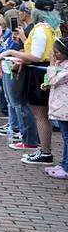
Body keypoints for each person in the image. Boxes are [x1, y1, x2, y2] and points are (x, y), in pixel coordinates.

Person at [0, 0, 61, 165]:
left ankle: (45, 151)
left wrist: (11, 52)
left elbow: (35, 56)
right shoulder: (54, 28)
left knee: (40, 115)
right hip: (50, 70)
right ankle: (44, 150)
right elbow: (40, 51)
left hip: (38, 73)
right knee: (44, 114)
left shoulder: (41, 28)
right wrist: (25, 40)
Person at [44, 37, 68, 179]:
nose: (54, 55)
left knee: (67, 137)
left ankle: (66, 167)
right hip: (61, 107)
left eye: (57, 52)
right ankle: (64, 163)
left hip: (65, 108)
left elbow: (54, 79)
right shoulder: (62, 64)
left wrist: (52, 64)